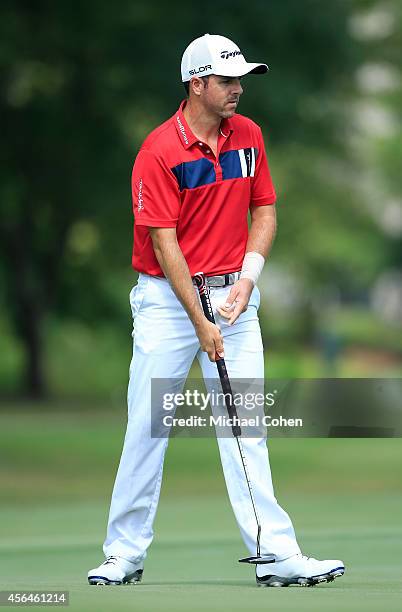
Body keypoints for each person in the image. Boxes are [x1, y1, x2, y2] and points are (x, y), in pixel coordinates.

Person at [88, 33, 345, 588]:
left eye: (240, 79)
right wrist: (199, 322)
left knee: (245, 426)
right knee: (148, 427)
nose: (237, 89)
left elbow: (266, 210)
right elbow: (164, 243)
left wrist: (248, 281)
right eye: (227, 80)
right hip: (166, 302)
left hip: (233, 298)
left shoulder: (247, 136)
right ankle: (123, 554)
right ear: (196, 83)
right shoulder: (159, 151)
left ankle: (275, 556)